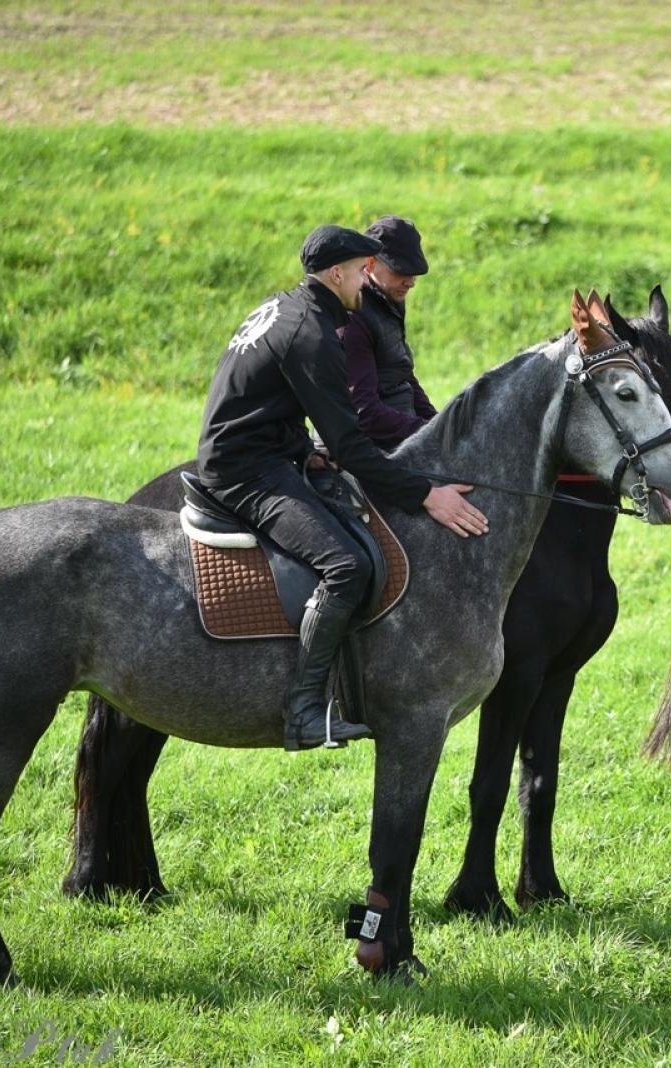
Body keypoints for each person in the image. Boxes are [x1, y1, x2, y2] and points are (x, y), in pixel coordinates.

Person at [197, 224, 489, 751]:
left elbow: (265, 405)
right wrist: (427, 494)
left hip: (265, 452)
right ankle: (303, 710)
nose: (365, 280)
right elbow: (354, 446)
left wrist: (305, 449)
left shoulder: (288, 307)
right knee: (346, 566)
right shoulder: (312, 334)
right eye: (360, 271)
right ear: (337, 273)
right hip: (246, 472)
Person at [339, 215, 438, 450]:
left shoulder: (389, 299)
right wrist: (426, 433)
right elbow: (365, 414)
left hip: (402, 435)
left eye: (415, 273)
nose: (411, 282)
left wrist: (439, 425)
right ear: (371, 264)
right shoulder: (354, 319)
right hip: (372, 447)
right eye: (402, 271)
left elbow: (402, 374)